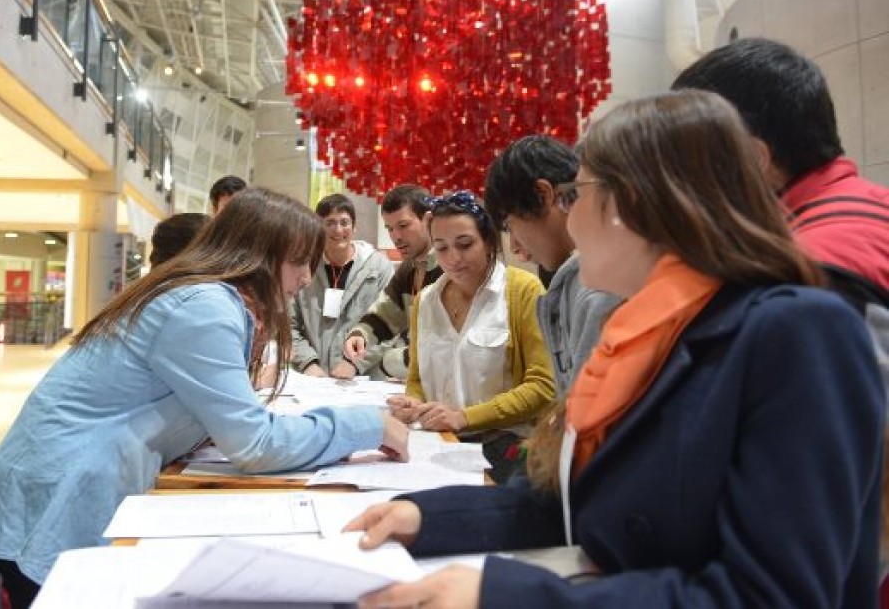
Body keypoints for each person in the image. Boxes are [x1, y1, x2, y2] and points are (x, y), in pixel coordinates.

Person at [346, 90, 883, 608]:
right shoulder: (649, 325)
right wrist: (429, 517)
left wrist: (507, 595)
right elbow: (589, 504)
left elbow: (776, 594)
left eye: (576, 195)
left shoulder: (796, 332)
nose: (569, 218)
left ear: (633, 204)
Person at [0, 188, 410, 606]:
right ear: (259, 254)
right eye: (298, 262)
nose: (305, 277)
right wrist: (365, 424)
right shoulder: (204, 307)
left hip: (63, 488)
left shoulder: (209, 298)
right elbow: (255, 444)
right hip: (55, 506)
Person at [671, 37, 889, 294]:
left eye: (684, 157)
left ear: (754, 157)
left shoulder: (806, 269)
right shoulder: (871, 205)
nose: (681, 182)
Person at [387, 191, 554, 480]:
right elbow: (416, 378)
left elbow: (542, 387)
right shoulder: (426, 300)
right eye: (441, 248)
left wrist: (464, 417)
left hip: (505, 446)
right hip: (437, 441)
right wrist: (412, 402)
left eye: (465, 245)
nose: (453, 259)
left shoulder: (523, 291)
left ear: (489, 241)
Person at [484, 136, 620, 395]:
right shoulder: (570, 281)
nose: (515, 247)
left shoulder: (598, 286)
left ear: (543, 195)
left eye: (510, 226)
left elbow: (586, 418)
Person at [343, 184, 443, 380]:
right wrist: (360, 334)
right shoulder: (408, 268)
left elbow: (442, 348)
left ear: (428, 220)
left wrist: (388, 362)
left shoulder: (451, 268)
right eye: (390, 229)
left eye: (404, 226)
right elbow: (384, 315)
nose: (396, 237)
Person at [290, 193, 394, 378]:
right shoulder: (303, 267)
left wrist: (354, 363)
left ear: (354, 227)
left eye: (344, 222)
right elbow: (288, 325)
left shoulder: (379, 268)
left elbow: (390, 327)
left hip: (363, 380)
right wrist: (307, 363)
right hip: (312, 379)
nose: (338, 230)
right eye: (329, 223)